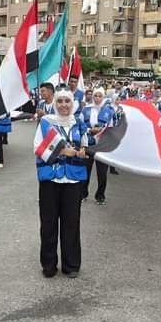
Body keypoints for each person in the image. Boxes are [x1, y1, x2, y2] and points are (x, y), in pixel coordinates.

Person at [33, 88, 88, 278]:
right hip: (50, 179)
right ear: (55, 103)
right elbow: (38, 148)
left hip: (73, 179)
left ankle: (71, 265)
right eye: (60, 101)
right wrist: (63, 151)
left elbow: (86, 145)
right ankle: (48, 265)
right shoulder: (46, 122)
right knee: (48, 223)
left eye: (67, 101)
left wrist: (82, 152)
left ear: (73, 103)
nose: (64, 105)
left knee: (71, 223)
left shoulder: (79, 122)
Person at [82, 88, 114, 205]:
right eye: (95, 95)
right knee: (85, 171)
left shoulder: (109, 111)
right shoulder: (86, 110)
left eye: (100, 96)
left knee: (102, 173)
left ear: (103, 97)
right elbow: (80, 125)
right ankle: (83, 193)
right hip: (88, 144)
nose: (97, 98)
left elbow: (112, 128)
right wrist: (90, 130)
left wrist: (101, 130)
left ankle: (100, 195)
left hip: (102, 146)